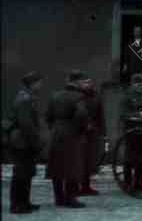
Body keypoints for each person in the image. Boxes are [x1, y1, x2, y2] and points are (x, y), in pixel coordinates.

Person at [46, 70, 89, 208]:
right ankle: (71, 198)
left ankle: (59, 198)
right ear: (77, 82)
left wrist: (54, 127)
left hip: (56, 132)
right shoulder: (78, 97)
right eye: (82, 81)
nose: (84, 84)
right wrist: (80, 130)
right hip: (71, 134)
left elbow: (48, 116)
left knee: (57, 166)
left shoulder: (55, 96)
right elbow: (81, 116)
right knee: (72, 167)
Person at [8, 71, 44, 214]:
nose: (41, 85)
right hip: (22, 142)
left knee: (26, 173)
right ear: (33, 83)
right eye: (39, 82)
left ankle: (24, 202)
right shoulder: (25, 99)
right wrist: (35, 142)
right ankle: (17, 205)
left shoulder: (26, 97)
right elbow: (26, 125)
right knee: (21, 174)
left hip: (23, 141)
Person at [78, 75, 106, 196]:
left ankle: (86, 186)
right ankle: (75, 187)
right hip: (79, 131)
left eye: (89, 82)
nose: (88, 84)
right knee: (79, 160)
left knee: (89, 160)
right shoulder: (77, 96)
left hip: (92, 131)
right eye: (85, 82)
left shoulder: (95, 96)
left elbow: (100, 116)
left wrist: (103, 133)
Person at [120, 73, 142, 192]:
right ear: (133, 84)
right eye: (139, 84)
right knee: (130, 158)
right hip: (130, 129)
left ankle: (138, 182)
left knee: (141, 157)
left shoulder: (140, 95)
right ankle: (127, 183)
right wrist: (138, 115)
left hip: (141, 130)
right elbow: (124, 115)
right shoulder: (126, 97)